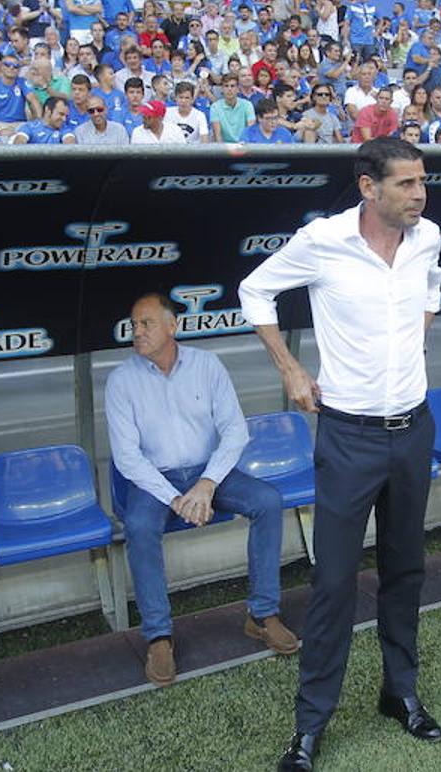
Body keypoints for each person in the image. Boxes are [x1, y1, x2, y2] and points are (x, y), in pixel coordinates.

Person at [239, 138, 441, 771]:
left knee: (405, 569)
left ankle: (399, 693)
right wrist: (290, 370)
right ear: (368, 187)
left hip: (414, 430)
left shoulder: (429, 237)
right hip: (348, 436)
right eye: (407, 184)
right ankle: (309, 727)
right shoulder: (323, 241)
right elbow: (255, 291)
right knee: (332, 583)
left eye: (422, 181)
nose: (420, 194)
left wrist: (413, 345)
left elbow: (433, 291)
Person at [106, 293, 296, 688]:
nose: (136, 332)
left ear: (172, 326)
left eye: (146, 324)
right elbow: (126, 458)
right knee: (139, 526)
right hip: (155, 480)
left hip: (210, 473)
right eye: (134, 325)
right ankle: (158, 635)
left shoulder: (207, 365)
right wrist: (177, 498)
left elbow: (234, 431)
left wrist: (206, 484)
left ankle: (262, 615)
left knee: (267, 500)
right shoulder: (121, 380)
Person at [209, 72, 256, 143]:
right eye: (226, 86)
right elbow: (218, 136)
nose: (229, 89)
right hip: (224, 148)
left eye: (232, 86)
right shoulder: (215, 107)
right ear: (222, 89)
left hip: (244, 146)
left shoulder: (247, 105)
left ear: (238, 89)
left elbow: (250, 131)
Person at [11, 94, 76, 144]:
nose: (64, 119)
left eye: (66, 116)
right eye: (61, 114)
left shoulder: (65, 128)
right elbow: (19, 142)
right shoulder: (30, 127)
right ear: (48, 110)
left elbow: (70, 143)